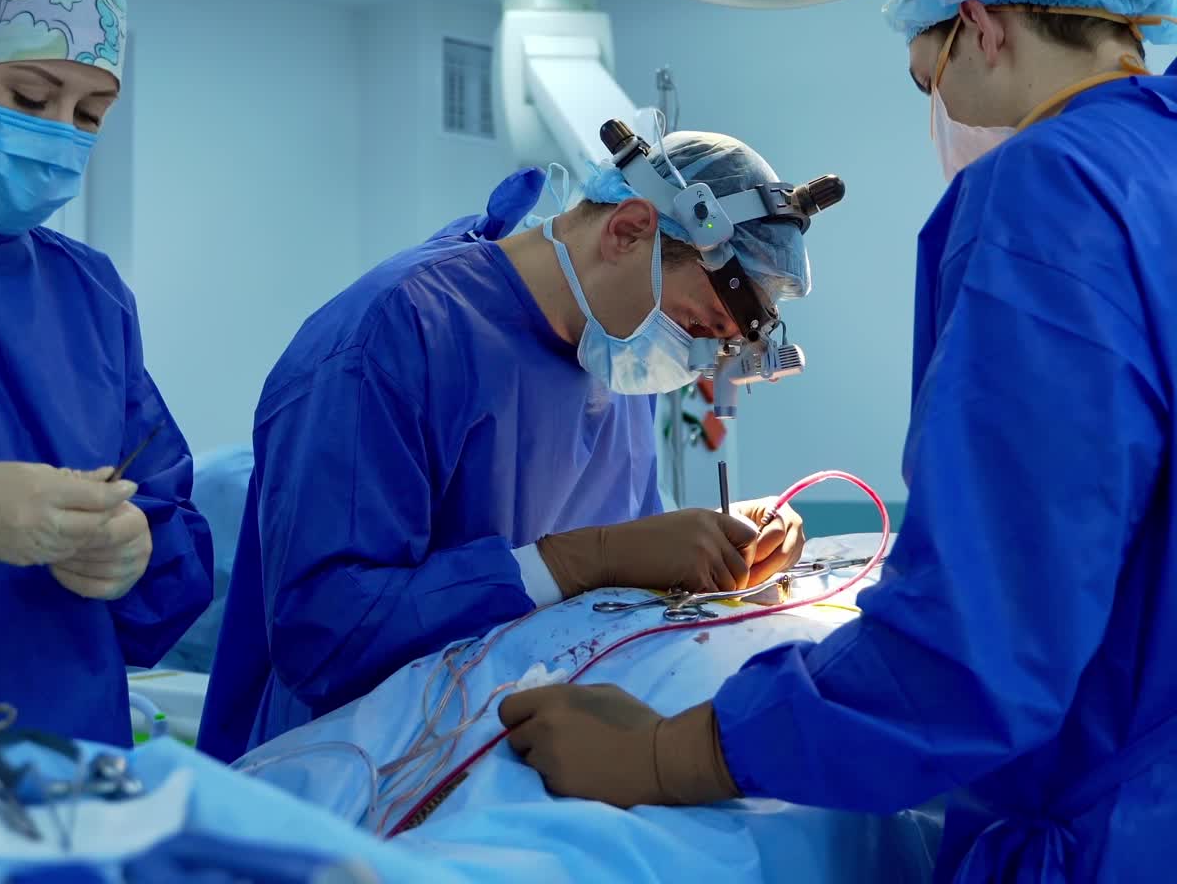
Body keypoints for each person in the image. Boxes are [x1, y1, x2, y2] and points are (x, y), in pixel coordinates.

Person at [500, 0, 1177, 883]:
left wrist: (662, 751)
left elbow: (975, 646)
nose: (940, 118)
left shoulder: (1049, 187)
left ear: (980, 26)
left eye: (924, 81)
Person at [200, 131, 818, 761]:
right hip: (352, 777)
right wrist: (585, 559)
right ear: (629, 231)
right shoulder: (391, 337)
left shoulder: (616, 352)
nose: (691, 362)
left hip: (519, 754)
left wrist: (703, 546)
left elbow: (620, 557)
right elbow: (327, 637)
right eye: (695, 327)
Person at [0, 0, 214, 747]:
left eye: (91, 112)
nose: (62, 133)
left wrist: (137, 550)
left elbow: (163, 500)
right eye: (32, 100)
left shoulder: (90, 294)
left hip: (68, 756)